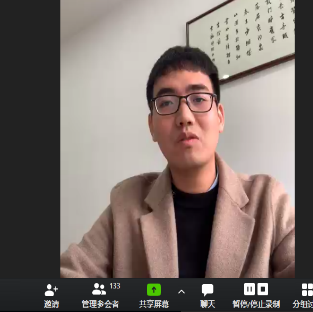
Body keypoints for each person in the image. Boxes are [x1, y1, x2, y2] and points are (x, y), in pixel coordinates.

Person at [60, 46, 295, 278]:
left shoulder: (267, 199)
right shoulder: (126, 202)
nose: (184, 117)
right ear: (152, 127)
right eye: (166, 103)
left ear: (220, 117)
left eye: (199, 99)